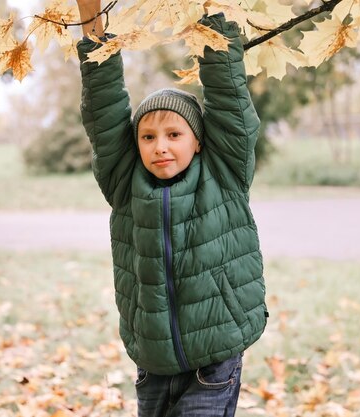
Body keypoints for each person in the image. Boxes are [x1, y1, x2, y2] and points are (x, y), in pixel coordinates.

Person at [75, 1, 268, 415]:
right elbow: (104, 113)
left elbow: (229, 96)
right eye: (147, 137)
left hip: (214, 357)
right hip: (152, 361)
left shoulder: (224, 172)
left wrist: (211, 14)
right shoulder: (125, 183)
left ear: (197, 140)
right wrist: (93, 27)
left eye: (174, 133)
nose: (160, 145)